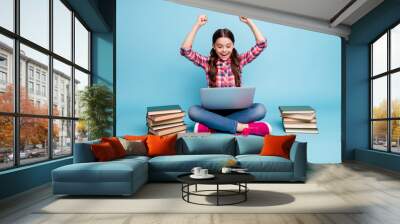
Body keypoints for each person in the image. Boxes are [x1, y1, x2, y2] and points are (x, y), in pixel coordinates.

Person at [180, 15, 271, 136]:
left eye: (228, 46)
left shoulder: (239, 61)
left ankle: (213, 127)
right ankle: (240, 126)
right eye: (219, 46)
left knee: (260, 109)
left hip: (237, 111)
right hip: (214, 112)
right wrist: (197, 25)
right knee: (193, 111)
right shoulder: (207, 63)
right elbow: (185, 50)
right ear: (213, 46)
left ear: (233, 45)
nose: (224, 50)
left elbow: (261, 44)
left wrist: (250, 22)